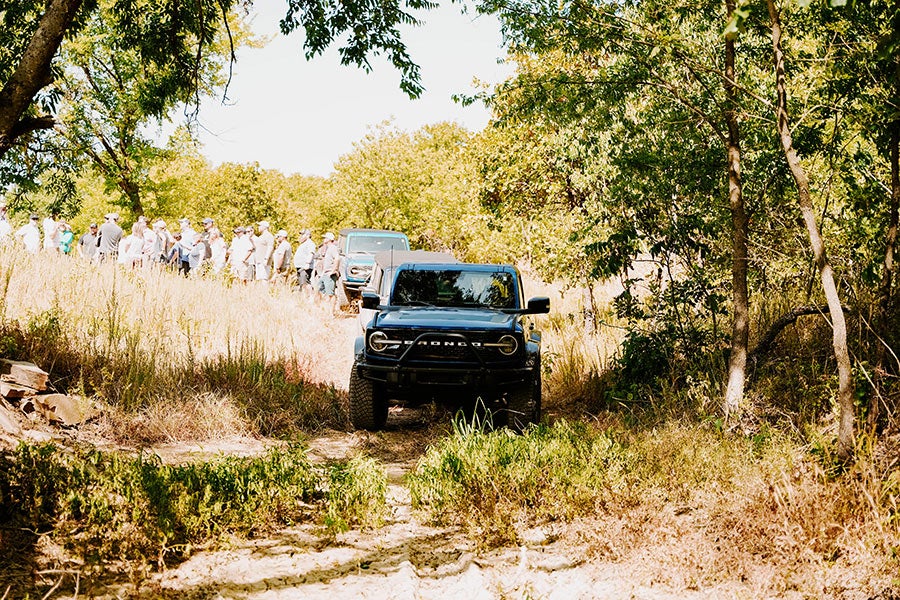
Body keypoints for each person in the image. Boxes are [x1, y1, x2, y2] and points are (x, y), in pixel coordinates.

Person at [316, 232, 340, 296]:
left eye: (325, 238)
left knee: (330, 294)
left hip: (330, 274)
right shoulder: (328, 248)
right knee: (319, 289)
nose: (324, 239)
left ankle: (331, 306)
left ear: (329, 239)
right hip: (325, 273)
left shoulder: (333, 248)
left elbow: (337, 259)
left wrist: (333, 271)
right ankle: (323, 305)